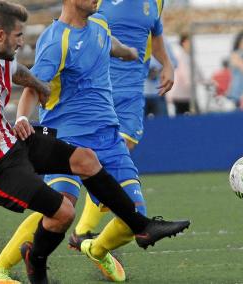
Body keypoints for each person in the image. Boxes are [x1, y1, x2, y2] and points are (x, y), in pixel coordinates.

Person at [0, 1, 190, 283]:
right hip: (66, 137)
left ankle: (94, 247)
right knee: (60, 206)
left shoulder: (100, 24)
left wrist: (129, 54)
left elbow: (109, 43)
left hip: (108, 137)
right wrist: (20, 119)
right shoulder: (56, 41)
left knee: (134, 218)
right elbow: (34, 85)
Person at [68, 0, 176, 264]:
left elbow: (155, 33)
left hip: (131, 92)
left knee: (122, 148)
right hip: (99, 88)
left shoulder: (156, 2)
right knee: (100, 157)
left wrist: (167, 64)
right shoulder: (96, 2)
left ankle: (84, 232)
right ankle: (84, 231)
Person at [166, 33, 205, 116]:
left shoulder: (190, 57)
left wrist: (205, 81)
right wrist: (194, 82)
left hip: (189, 95)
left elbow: (198, 73)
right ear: (184, 43)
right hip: (181, 95)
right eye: (189, 41)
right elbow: (186, 75)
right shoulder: (181, 57)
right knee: (184, 117)